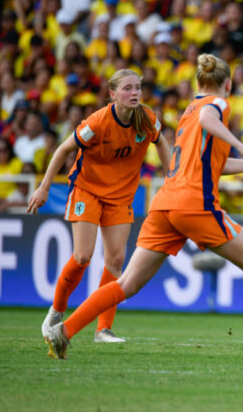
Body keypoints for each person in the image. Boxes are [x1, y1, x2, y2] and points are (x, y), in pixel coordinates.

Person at [43, 54, 243, 363]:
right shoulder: (217, 104)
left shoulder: (188, 111)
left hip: (165, 204)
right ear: (228, 83)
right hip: (195, 203)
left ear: (198, 82)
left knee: (126, 283)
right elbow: (210, 118)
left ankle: (64, 330)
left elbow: (211, 164)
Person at [29, 69, 172, 343]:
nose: (134, 93)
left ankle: (102, 329)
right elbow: (62, 150)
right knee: (83, 256)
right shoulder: (98, 121)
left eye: (138, 88)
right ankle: (56, 312)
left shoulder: (146, 118)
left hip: (120, 196)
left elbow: (162, 142)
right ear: (112, 94)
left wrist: (171, 177)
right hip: (88, 190)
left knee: (116, 260)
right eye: (128, 88)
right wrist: (44, 187)